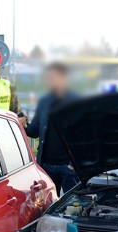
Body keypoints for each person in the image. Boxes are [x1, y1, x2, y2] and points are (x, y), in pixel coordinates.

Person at [25, 62, 79, 194]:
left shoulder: (76, 101)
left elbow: (84, 135)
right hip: (47, 166)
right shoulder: (45, 101)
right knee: (49, 206)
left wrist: (74, 165)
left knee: (73, 206)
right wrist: (23, 123)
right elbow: (34, 131)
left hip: (68, 167)